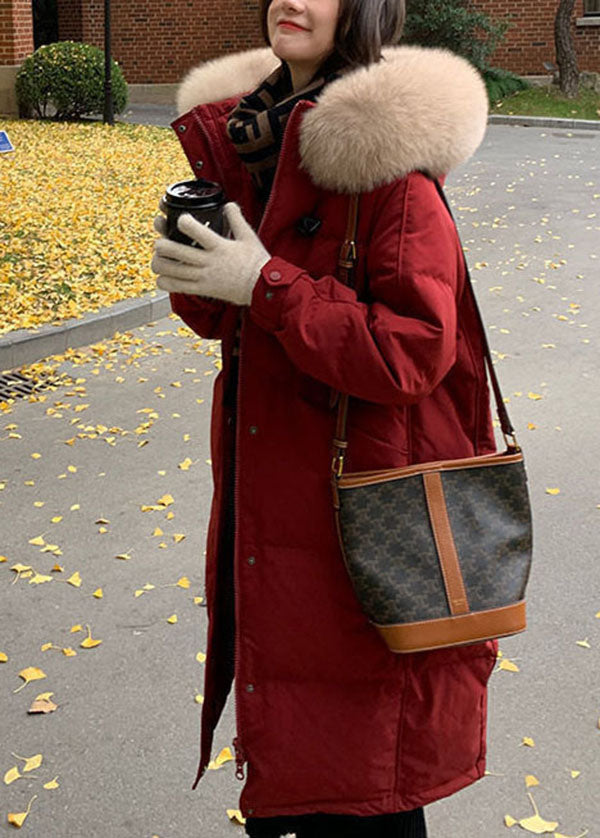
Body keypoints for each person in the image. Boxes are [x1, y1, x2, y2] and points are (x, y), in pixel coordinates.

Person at [150, 1, 499, 836]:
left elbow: (413, 353)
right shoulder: (258, 146)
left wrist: (262, 283)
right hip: (281, 518)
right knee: (299, 778)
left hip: (364, 533)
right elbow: (235, 326)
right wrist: (198, 275)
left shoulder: (393, 174)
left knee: (362, 789)